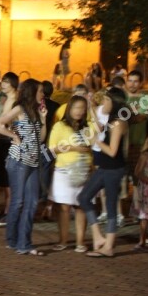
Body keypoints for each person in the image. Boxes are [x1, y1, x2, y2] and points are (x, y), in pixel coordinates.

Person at [0, 78, 48, 255]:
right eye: (40, 91)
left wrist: (44, 119)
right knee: (18, 201)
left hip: (33, 161)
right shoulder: (19, 109)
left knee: (32, 202)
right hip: (18, 161)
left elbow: (40, 139)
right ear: (32, 92)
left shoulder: (36, 111)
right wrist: (13, 136)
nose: (43, 94)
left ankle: (23, 242)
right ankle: (13, 240)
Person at [78, 87, 129, 257]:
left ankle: (108, 246)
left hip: (113, 169)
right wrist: (91, 107)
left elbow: (113, 151)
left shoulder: (118, 122)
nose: (103, 103)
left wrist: (96, 142)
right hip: (105, 168)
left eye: (106, 100)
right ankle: (98, 237)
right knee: (84, 197)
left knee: (110, 206)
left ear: (114, 102)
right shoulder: (112, 121)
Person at [48, 95, 94, 252]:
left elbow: (96, 141)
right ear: (69, 109)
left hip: (84, 170)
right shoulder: (60, 126)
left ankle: (80, 242)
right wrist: (73, 147)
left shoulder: (88, 126)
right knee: (64, 207)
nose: (79, 111)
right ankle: (63, 240)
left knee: (81, 206)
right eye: (76, 107)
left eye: (82, 108)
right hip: (64, 171)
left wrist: (93, 112)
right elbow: (52, 148)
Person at [0, 72, 19, 226]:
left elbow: (8, 123)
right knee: (4, 177)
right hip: (3, 140)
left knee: (8, 177)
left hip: (8, 140)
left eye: (6, 82)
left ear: (13, 83)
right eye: (3, 81)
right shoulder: (9, 99)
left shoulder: (15, 101)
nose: (3, 84)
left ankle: (9, 211)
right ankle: (6, 209)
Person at [39, 81, 61, 219]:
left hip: (40, 140)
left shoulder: (38, 105)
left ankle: (42, 194)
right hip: (52, 141)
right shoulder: (57, 106)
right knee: (47, 168)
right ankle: (45, 194)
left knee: (41, 168)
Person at [126, 70, 148, 176]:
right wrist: (133, 112)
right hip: (120, 142)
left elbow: (139, 118)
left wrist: (123, 116)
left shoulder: (146, 100)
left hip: (138, 143)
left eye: (135, 81)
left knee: (137, 175)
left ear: (141, 83)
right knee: (121, 176)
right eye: (130, 81)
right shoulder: (121, 97)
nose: (132, 84)